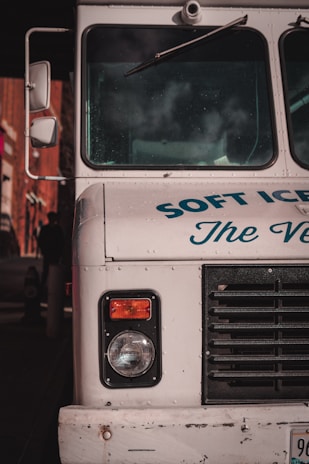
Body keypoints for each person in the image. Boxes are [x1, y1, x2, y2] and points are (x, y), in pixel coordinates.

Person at [38, 211, 65, 289]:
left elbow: (61, 242)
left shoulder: (57, 229)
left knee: (53, 271)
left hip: (55, 253)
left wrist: (60, 253)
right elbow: (41, 240)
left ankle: (52, 286)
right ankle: (44, 286)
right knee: (46, 270)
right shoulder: (47, 229)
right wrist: (43, 250)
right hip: (48, 253)